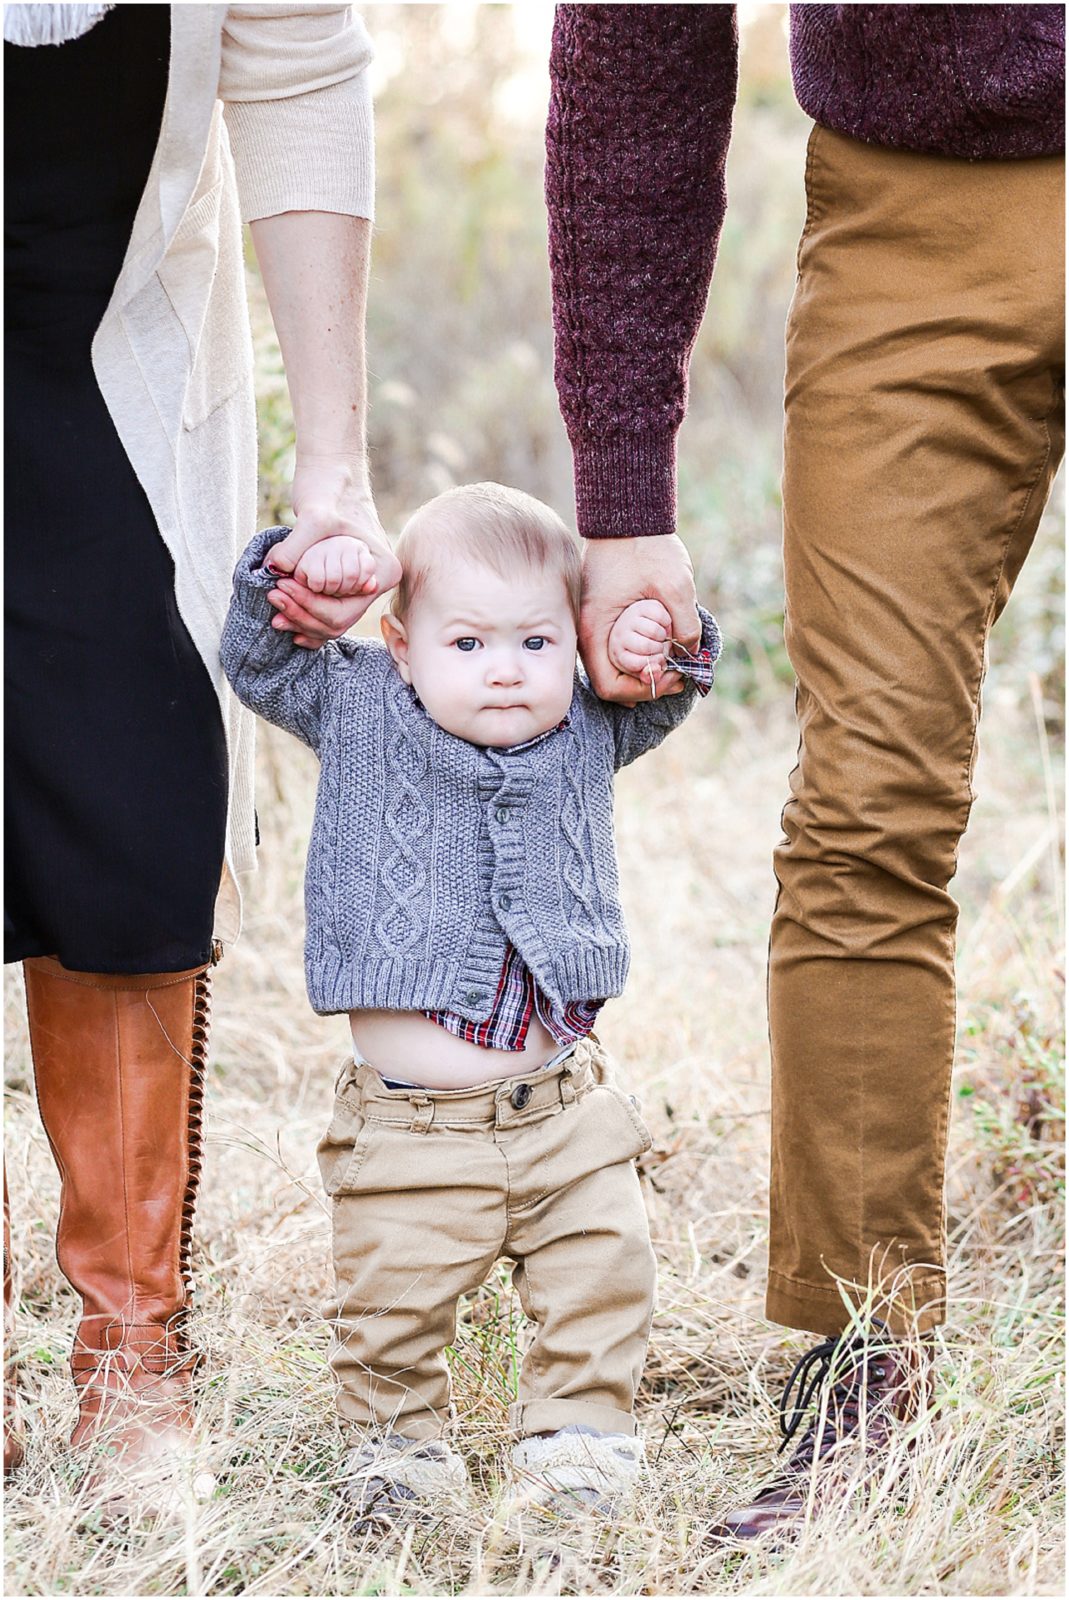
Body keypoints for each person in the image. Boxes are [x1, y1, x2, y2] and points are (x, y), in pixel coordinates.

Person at [543, 2, 1065, 1540]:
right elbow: (638, 43)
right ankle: (865, 1371)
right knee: (863, 809)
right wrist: (623, 483)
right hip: (914, 217)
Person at [3, 2, 400, 1497]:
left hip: (97, 356)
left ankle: (132, 1356)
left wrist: (338, 466)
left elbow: (298, 66)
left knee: (127, 802)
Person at [219, 482, 720, 1522]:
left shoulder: (585, 722)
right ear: (402, 645)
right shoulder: (358, 702)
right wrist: (306, 574)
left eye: (538, 640)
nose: (505, 668)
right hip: (409, 1127)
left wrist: (650, 632)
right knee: (389, 1307)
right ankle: (396, 1453)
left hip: (564, 1109)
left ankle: (578, 1445)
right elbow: (261, 660)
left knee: (602, 1275)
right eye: (468, 642)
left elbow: (664, 685)